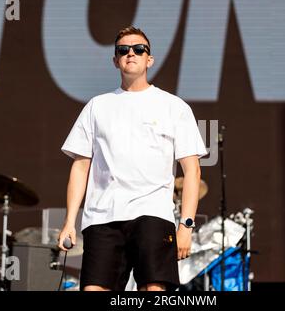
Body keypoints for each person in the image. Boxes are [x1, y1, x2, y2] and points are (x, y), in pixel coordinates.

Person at [58, 26, 207, 291]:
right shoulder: (97, 106)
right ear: (115, 60)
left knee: (153, 291)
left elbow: (192, 171)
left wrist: (186, 225)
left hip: (152, 214)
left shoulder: (174, 106)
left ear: (149, 59)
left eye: (139, 49)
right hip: (102, 217)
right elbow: (80, 167)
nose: (131, 54)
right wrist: (70, 220)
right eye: (123, 50)